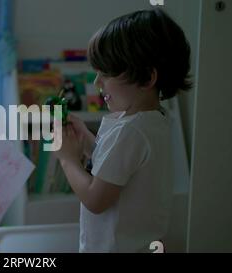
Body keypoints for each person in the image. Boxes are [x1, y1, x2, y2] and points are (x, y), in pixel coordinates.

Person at [53, 8, 191, 252]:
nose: (97, 83)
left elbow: (97, 199)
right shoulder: (154, 120)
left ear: (147, 78)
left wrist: (67, 160)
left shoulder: (131, 130)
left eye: (106, 73)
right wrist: (86, 140)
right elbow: (119, 168)